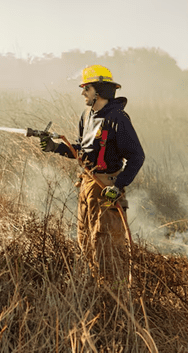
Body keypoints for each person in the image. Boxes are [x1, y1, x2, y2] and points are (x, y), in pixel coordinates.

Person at [39, 65, 145, 282]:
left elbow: (137, 156)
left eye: (86, 88)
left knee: (107, 244)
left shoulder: (118, 119)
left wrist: (118, 186)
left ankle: (114, 295)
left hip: (107, 189)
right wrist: (55, 147)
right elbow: (82, 150)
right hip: (87, 185)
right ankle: (95, 288)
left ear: (99, 91)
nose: (82, 93)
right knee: (85, 240)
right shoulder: (87, 116)